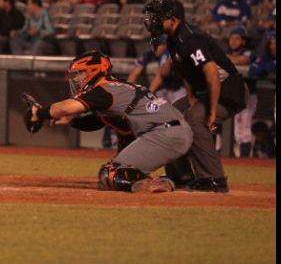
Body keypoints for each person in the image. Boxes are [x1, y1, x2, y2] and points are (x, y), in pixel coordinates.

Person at [24, 51, 192, 193]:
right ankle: (178, 177)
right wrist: (71, 121)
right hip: (175, 131)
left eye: (81, 73)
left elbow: (66, 108)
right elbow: (100, 121)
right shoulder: (116, 86)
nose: (76, 79)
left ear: (95, 71)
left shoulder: (104, 89)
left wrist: (39, 112)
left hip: (165, 134)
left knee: (110, 173)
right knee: (115, 167)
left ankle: (154, 184)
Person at [143, 0, 249, 193]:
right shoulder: (174, 40)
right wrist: (190, 99)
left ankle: (214, 179)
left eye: (159, 17)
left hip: (230, 90)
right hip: (206, 91)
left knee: (194, 119)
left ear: (173, 19)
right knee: (171, 115)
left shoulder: (190, 38)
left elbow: (212, 75)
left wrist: (211, 114)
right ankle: (180, 174)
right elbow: (183, 72)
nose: (154, 21)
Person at [224, 28, 257, 157]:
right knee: (238, 132)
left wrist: (227, 59)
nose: (233, 41)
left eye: (237, 38)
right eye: (232, 38)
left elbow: (244, 60)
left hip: (248, 95)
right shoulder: (227, 52)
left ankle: (245, 160)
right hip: (235, 95)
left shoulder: (250, 52)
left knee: (245, 128)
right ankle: (242, 158)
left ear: (243, 41)